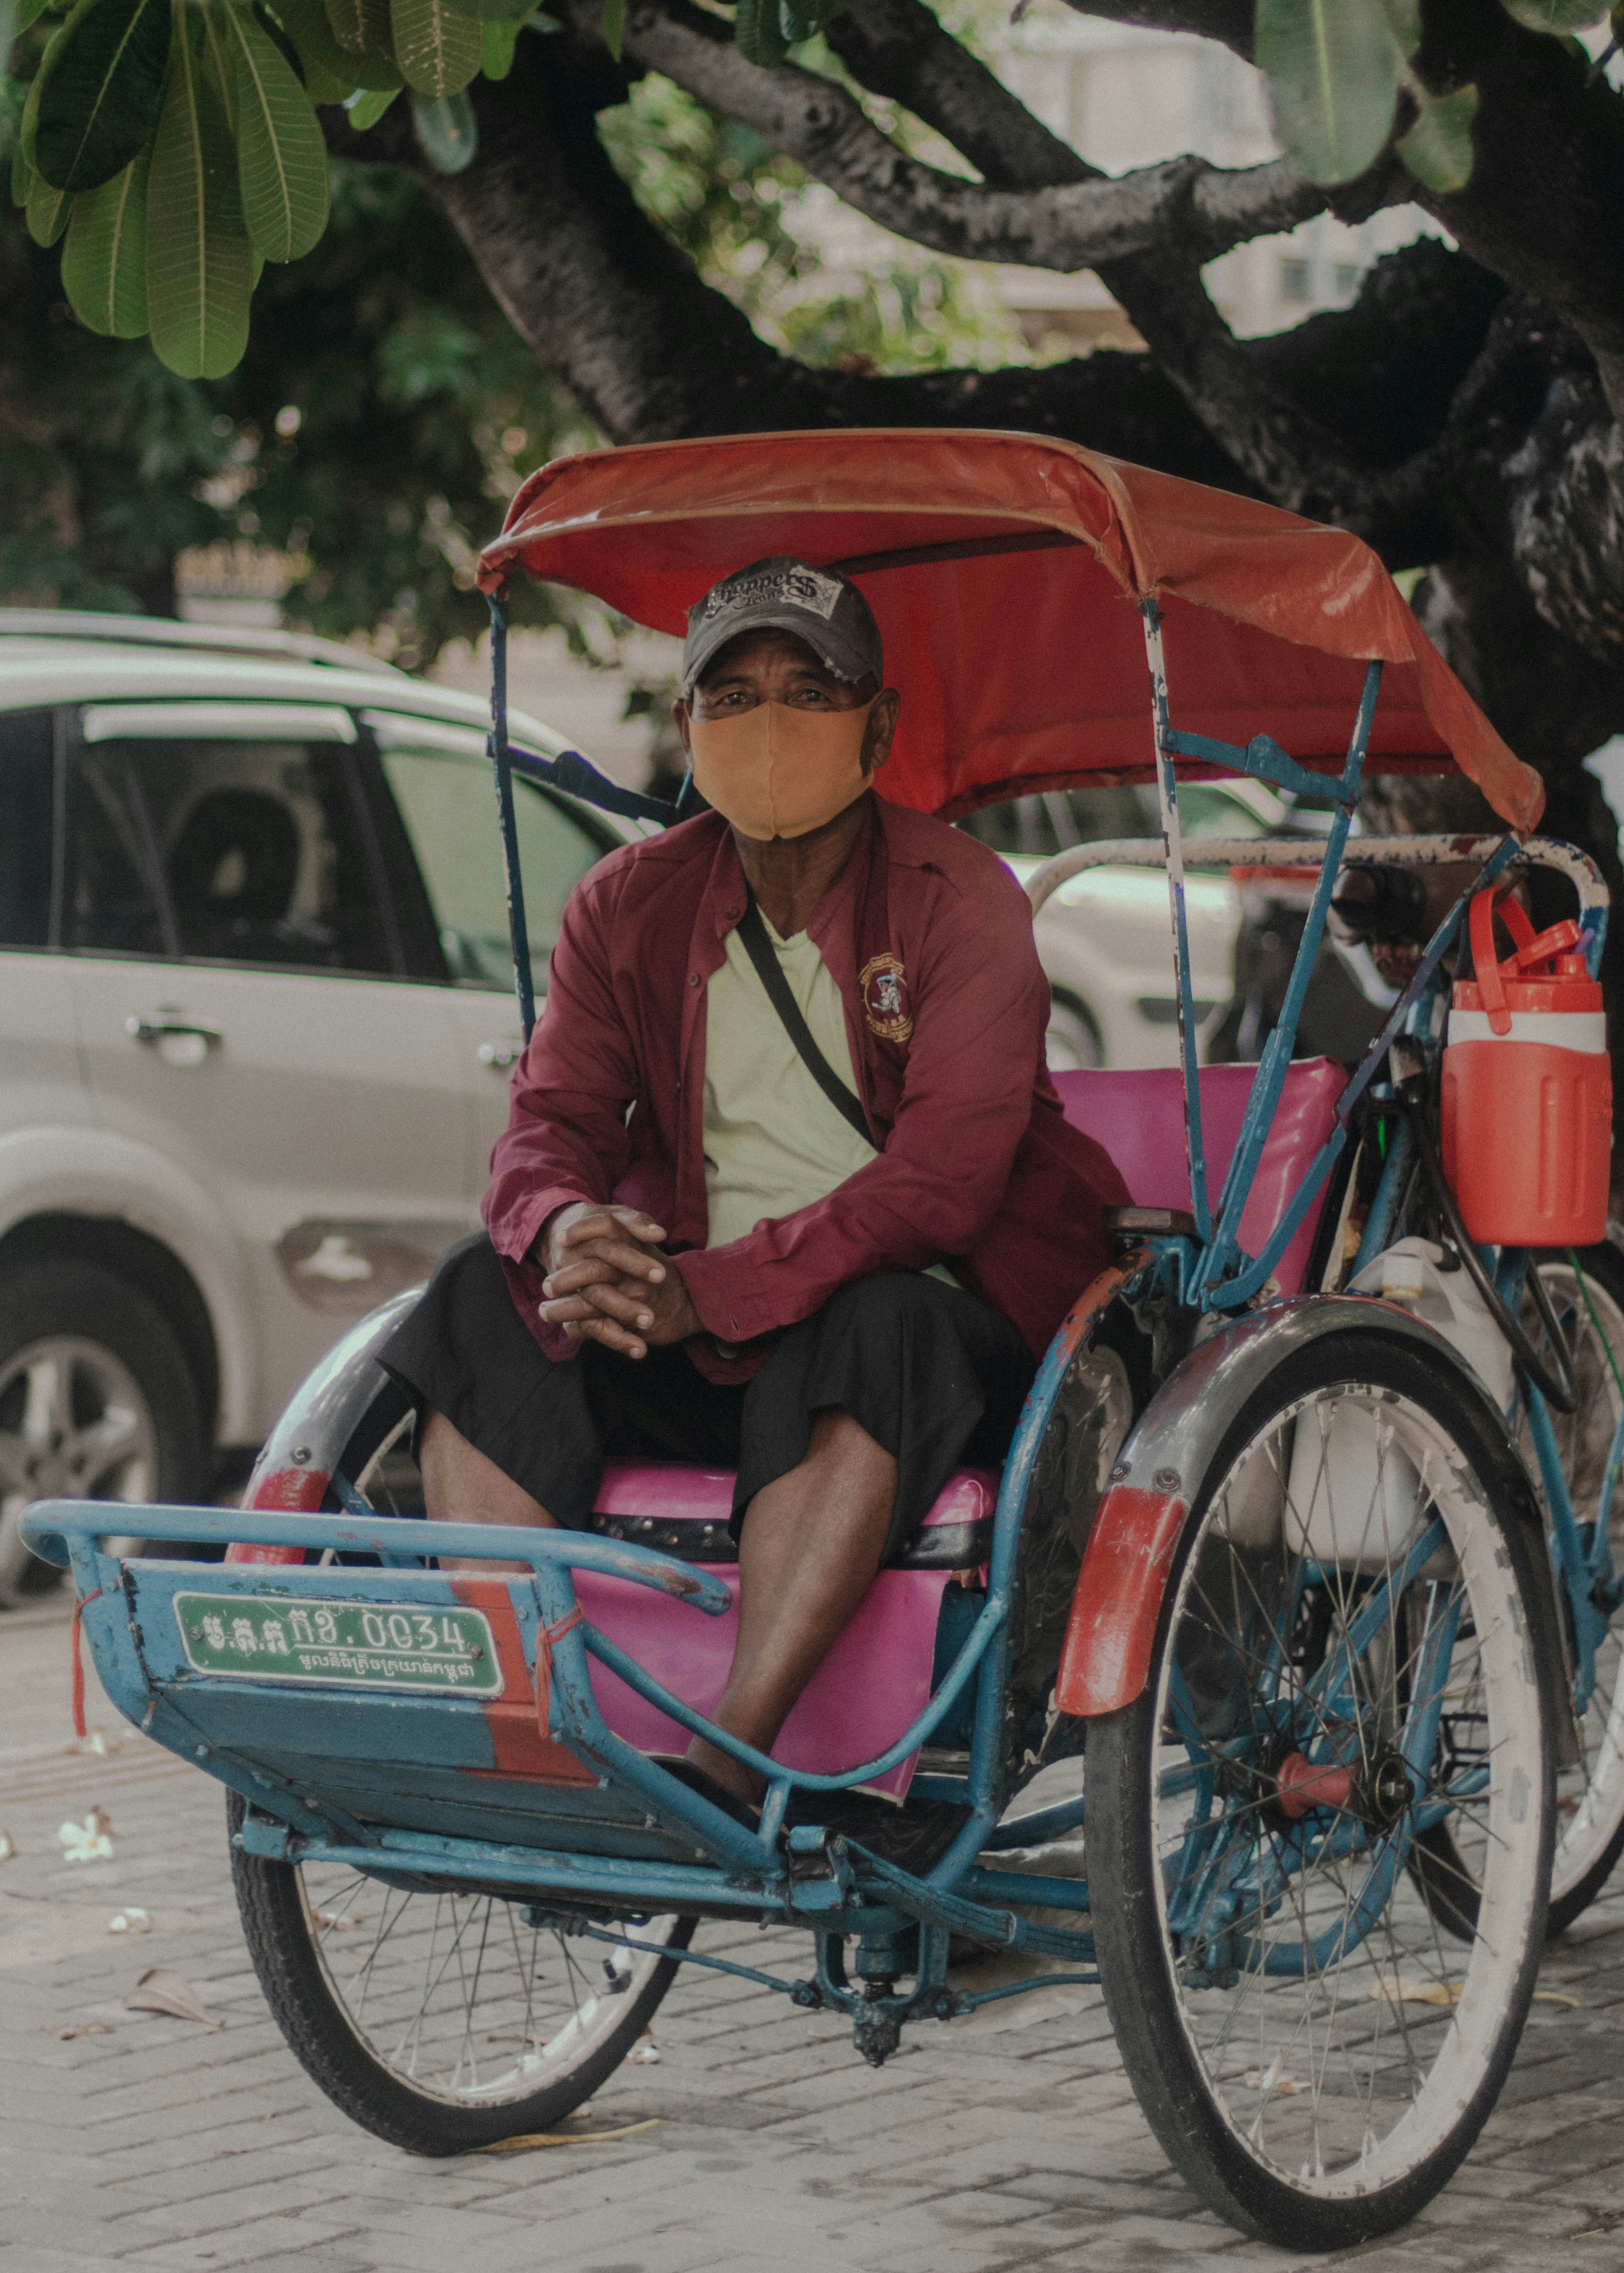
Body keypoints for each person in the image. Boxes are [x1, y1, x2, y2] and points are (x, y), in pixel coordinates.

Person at [382, 555, 1127, 1828]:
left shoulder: (961, 904)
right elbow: (550, 1123)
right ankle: (529, 1725)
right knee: (477, 1297)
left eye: (809, 691)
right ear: (689, 725)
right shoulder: (631, 903)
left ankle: (727, 1759)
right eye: (731, 697)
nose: (767, 724)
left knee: (879, 1322)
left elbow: (941, 1189)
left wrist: (709, 1292)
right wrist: (569, 1230)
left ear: (877, 728)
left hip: (936, 1338)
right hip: (713, 1333)